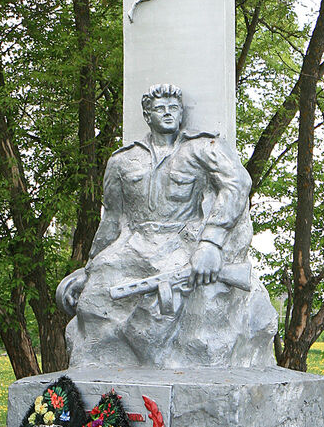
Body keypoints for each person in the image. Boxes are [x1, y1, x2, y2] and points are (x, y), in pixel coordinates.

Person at [60, 84, 277, 369]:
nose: (168, 113)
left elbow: (238, 182)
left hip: (179, 243)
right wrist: (89, 269)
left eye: (173, 108)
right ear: (147, 115)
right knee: (91, 302)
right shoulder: (122, 160)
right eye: (160, 108)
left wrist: (211, 243)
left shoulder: (200, 148)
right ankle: (102, 380)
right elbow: (112, 219)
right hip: (133, 245)